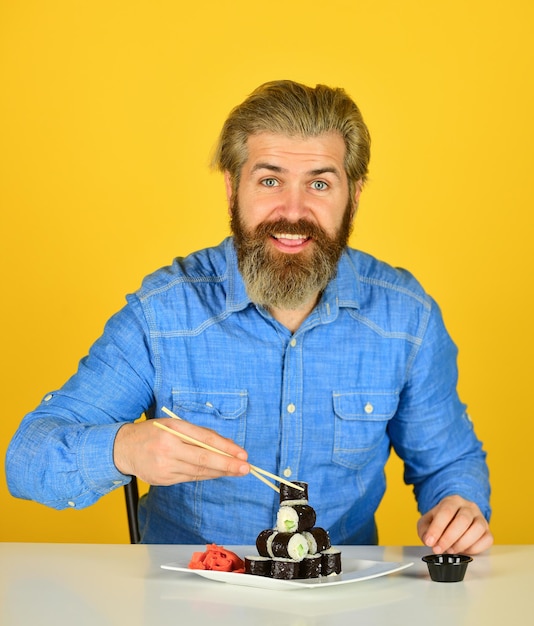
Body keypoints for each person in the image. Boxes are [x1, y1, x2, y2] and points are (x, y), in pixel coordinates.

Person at [6, 80, 492, 554]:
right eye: (270, 180)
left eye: (319, 183)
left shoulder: (406, 317)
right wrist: (123, 450)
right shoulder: (162, 313)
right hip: (183, 599)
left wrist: (458, 506)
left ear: (355, 194)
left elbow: (449, 463)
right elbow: (27, 459)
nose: (294, 210)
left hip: (341, 599)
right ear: (232, 187)